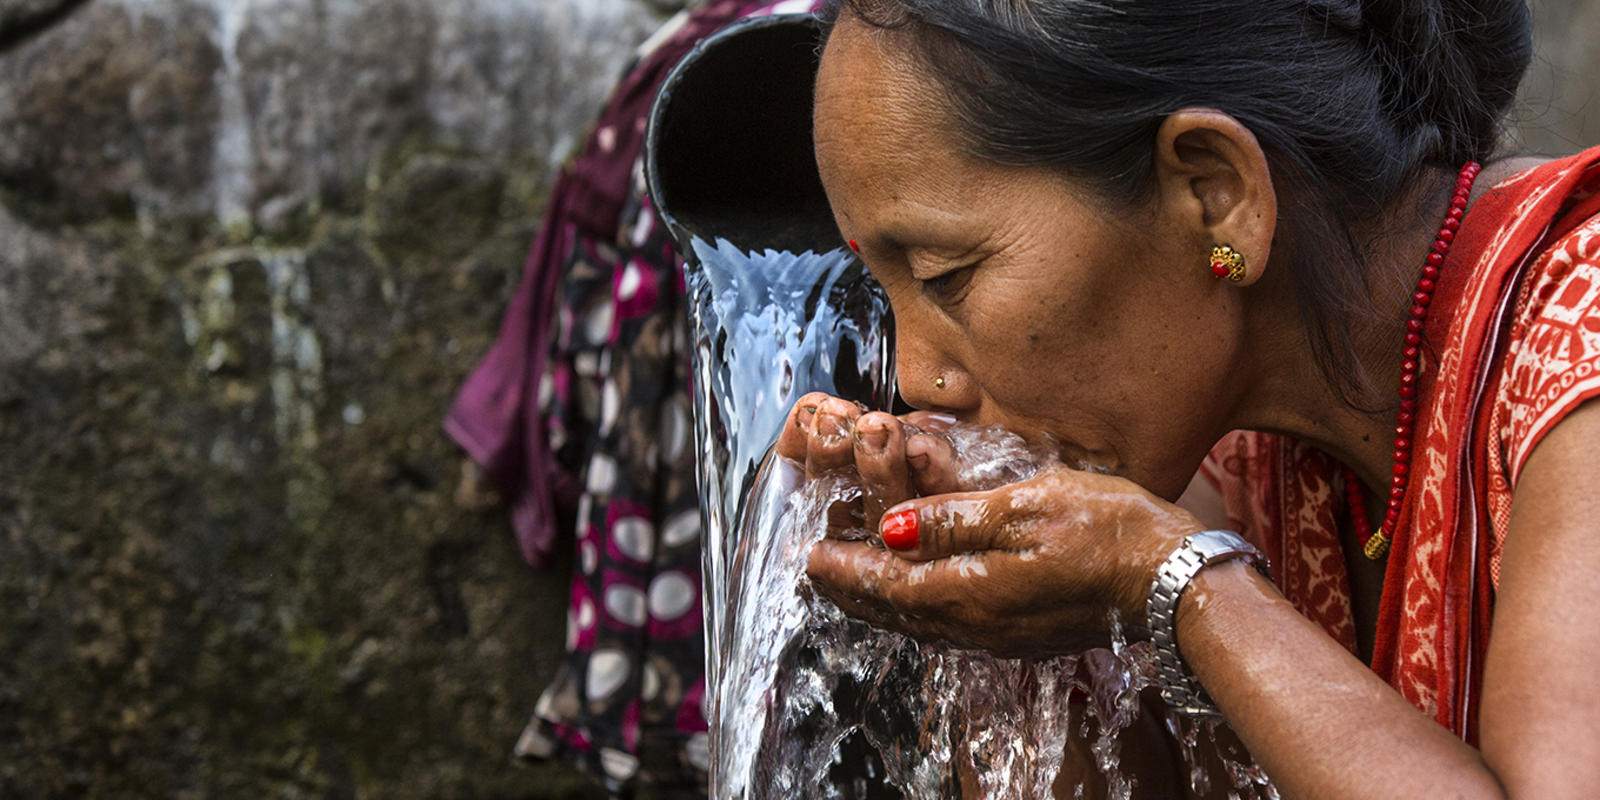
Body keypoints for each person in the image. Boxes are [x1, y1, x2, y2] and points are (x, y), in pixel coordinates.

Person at [773, 0, 1600, 797]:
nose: (915, 378)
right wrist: (999, 616)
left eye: (943, 276)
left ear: (1214, 192)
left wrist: (1180, 579)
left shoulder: (1579, 331)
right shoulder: (1237, 449)